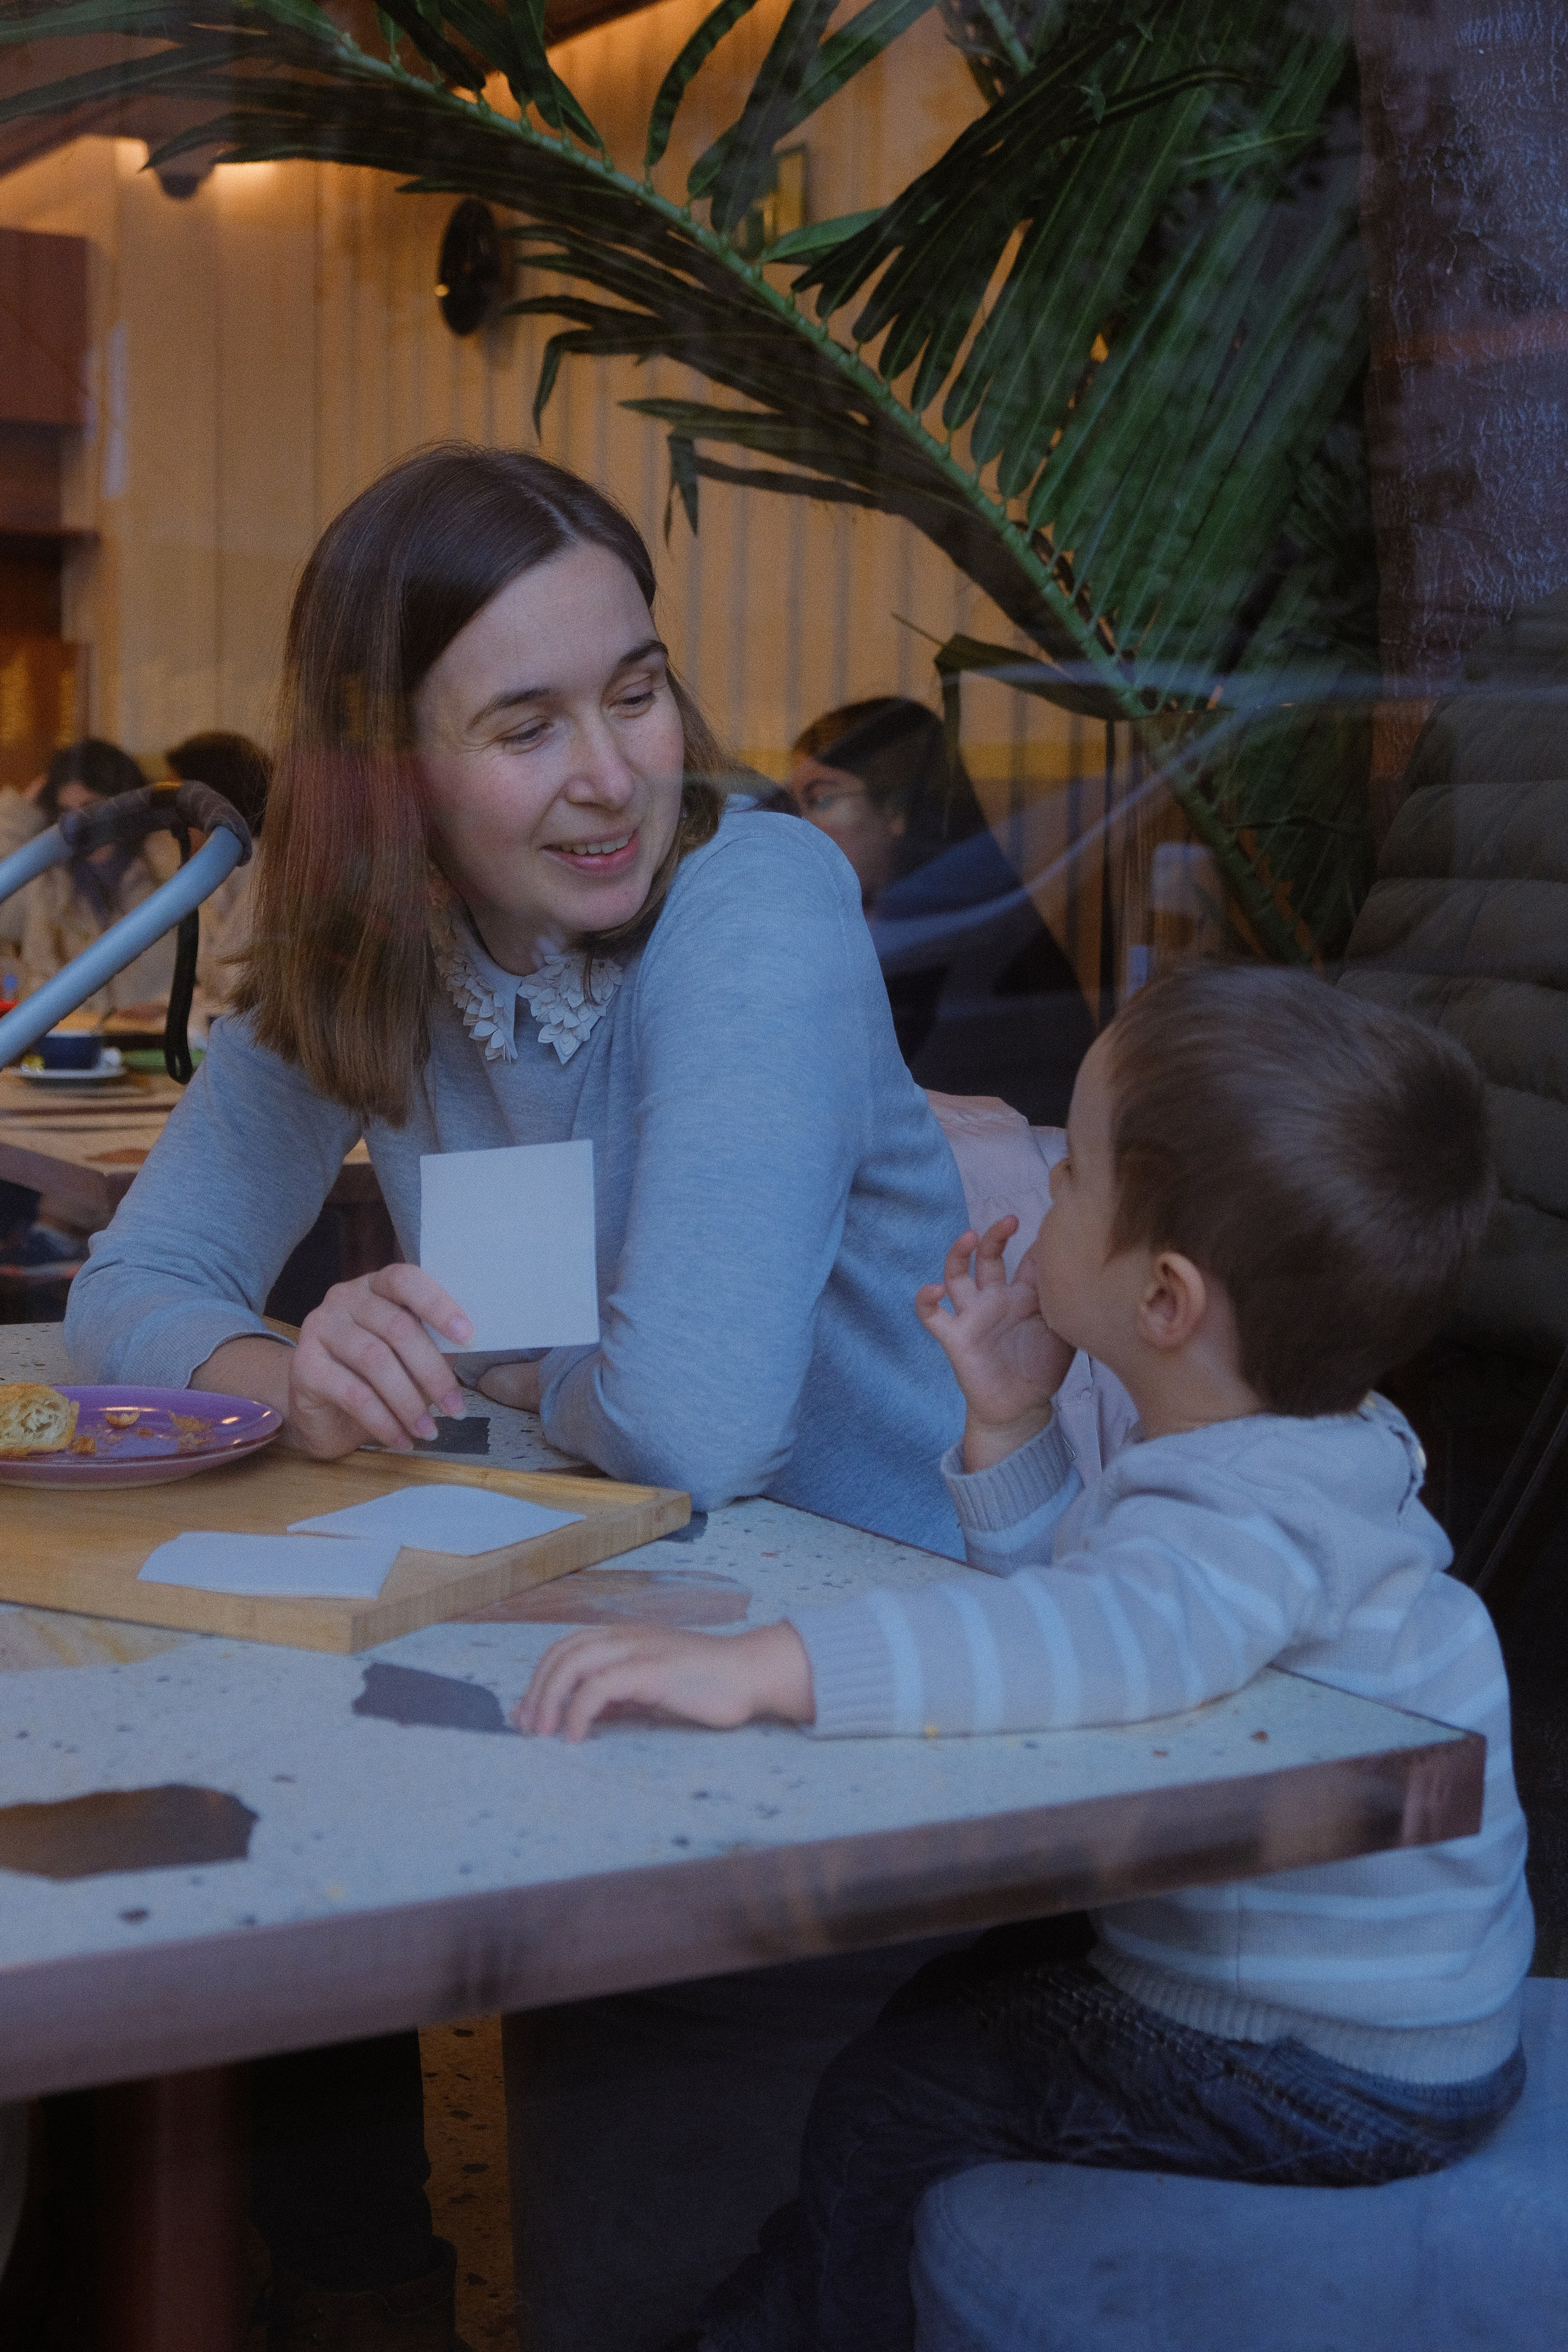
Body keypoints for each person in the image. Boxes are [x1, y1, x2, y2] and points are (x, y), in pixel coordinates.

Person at [63, 443, 978, 2349]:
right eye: (524, 721)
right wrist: (284, 1369)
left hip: (884, 1721)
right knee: (234, 1945)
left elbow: (700, 1418)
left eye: (633, 689)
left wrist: (484, 1368)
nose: (610, 773)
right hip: (582, 1671)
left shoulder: (758, 899)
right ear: (386, 770)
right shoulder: (364, 946)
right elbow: (129, 1291)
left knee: (626, 2273)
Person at [518, 963, 1534, 2352]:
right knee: (957, 1997)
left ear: (1162, 1298)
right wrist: (1008, 1422)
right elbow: (1113, 1632)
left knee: (895, 2089)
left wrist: (771, 1664)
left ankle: (809, 2323)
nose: (1041, 1181)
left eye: (1074, 1176)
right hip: (1348, 2025)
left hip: (1315, 2068)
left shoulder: (1246, 1508)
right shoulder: (1302, 1453)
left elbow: (1092, 1640)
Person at [790, 699, 1094, 1123]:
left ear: (897, 809)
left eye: (821, 800)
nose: (802, 828)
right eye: (797, 807)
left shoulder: (960, 932)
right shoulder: (889, 919)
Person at [164, 728, 272, 1016]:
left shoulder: (272, 880)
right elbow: (215, 988)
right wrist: (164, 1006)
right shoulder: (217, 874)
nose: (173, 821)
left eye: (181, 806)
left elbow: (247, 1002)